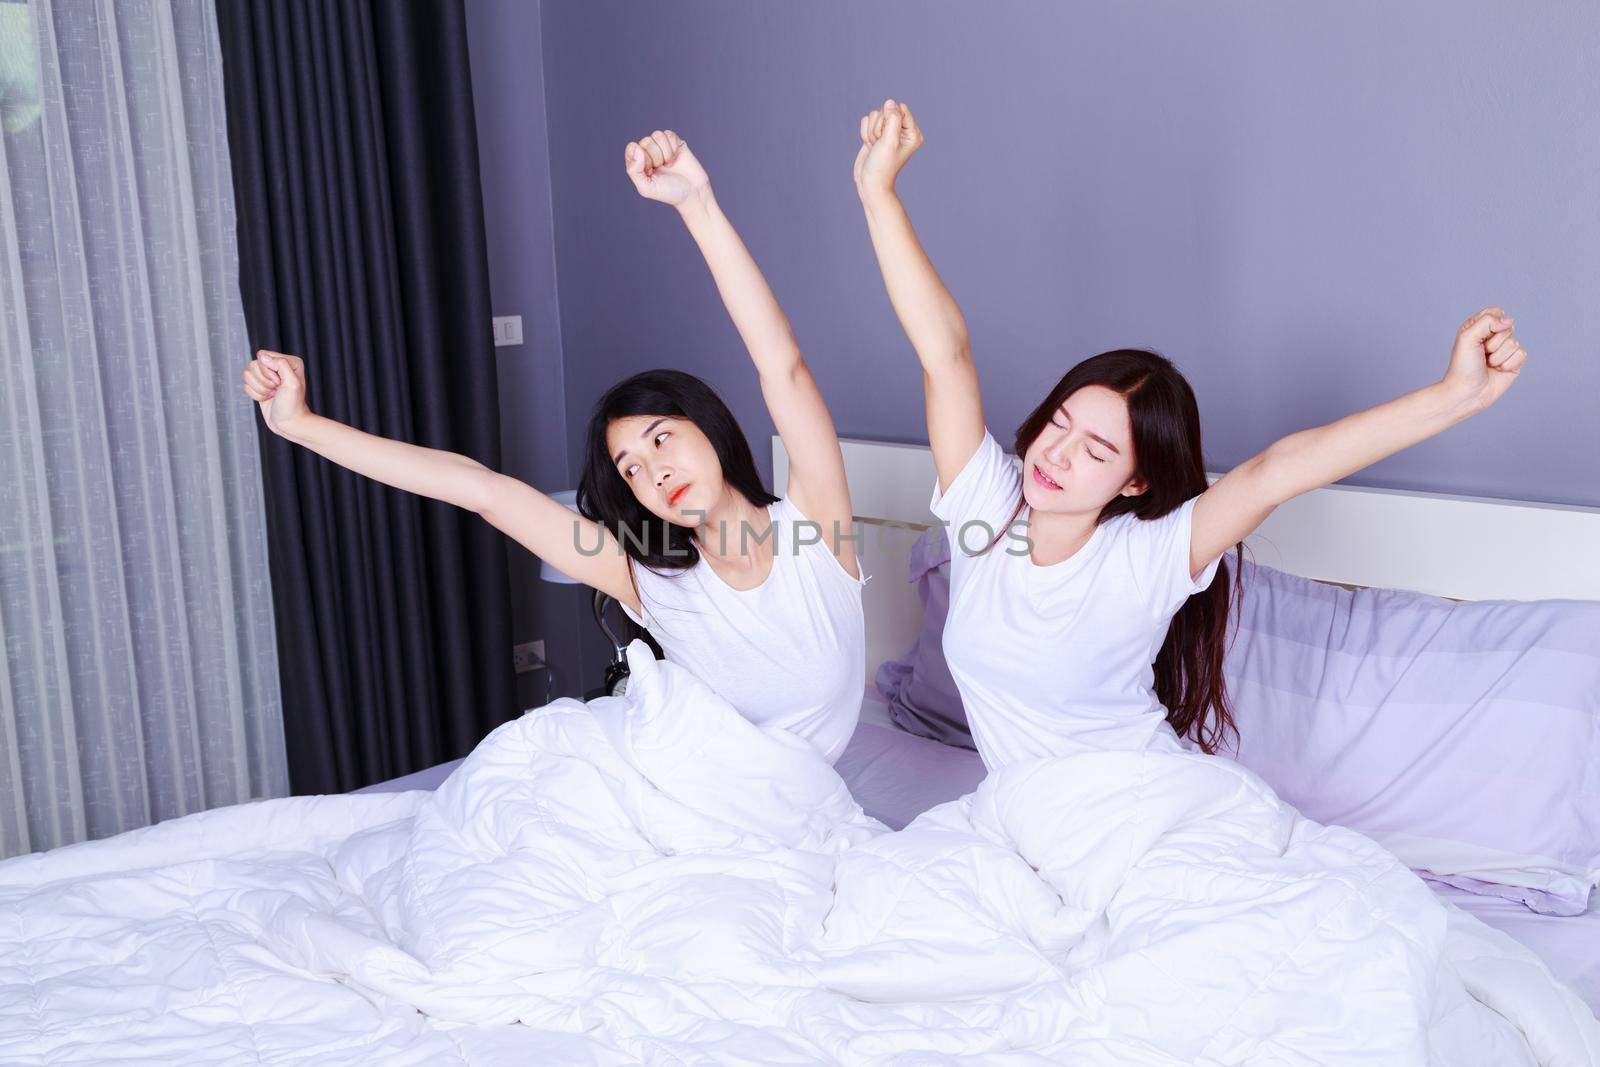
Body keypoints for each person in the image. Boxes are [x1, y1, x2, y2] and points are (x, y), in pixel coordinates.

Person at [851, 98, 1527, 769]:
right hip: (1029, 820)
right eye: (1059, 422)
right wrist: (879, 194)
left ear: (1137, 480)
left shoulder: (1145, 555)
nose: (1057, 453)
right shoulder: (986, 509)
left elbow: (1273, 472)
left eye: (1097, 449)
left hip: (1141, 813)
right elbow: (946, 354)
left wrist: (1453, 397)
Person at [241, 128, 867, 764]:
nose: (654, 473)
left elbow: (781, 365)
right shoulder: (643, 574)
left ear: (710, 428)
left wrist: (696, 202)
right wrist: (299, 424)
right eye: (631, 469)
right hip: (681, 798)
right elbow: (481, 489)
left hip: (774, 818)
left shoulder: (815, 531)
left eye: (661, 437)